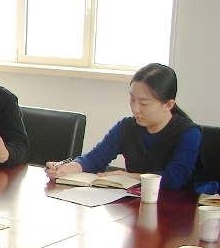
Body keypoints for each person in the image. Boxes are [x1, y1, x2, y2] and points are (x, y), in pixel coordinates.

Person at [45, 63, 201, 190]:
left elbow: (175, 179)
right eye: (132, 100)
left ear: (168, 105)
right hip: (134, 204)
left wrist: (130, 177)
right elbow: (94, 159)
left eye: (144, 103)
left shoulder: (188, 133)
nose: (135, 109)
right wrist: (69, 168)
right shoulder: (126, 127)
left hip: (176, 208)